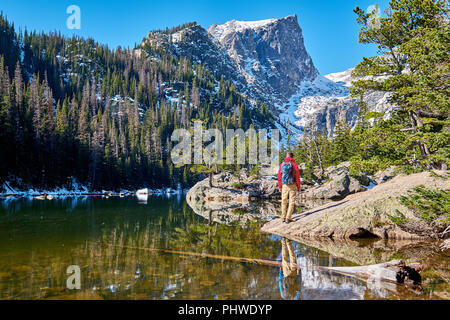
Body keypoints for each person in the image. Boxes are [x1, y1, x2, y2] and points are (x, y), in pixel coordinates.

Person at [278, 152, 301, 223]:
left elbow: (279, 176)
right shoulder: (294, 165)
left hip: (284, 185)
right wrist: (298, 186)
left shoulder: (282, 164)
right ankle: (288, 218)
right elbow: (297, 177)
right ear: (292, 157)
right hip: (293, 185)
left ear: (286, 156)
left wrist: (280, 186)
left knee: (284, 201)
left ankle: (283, 217)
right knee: (291, 201)